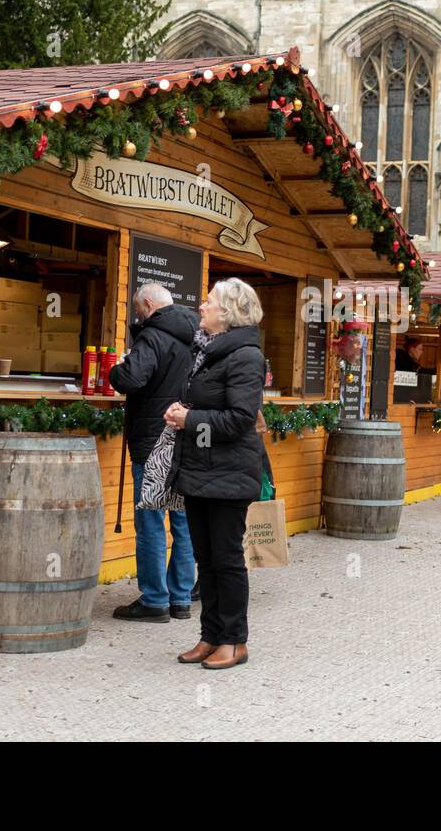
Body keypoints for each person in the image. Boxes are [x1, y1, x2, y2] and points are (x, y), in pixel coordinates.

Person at [164, 278, 266, 670]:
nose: (200, 306)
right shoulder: (205, 351)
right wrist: (180, 413)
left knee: (226, 560)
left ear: (227, 312)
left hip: (228, 474)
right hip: (200, 469)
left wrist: (191, 419)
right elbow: (206, 406)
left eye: (208, 302)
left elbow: (240, 419)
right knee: (204, 561)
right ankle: (210, 637)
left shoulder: (245, 356)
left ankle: (234, 640)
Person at [109, 283, 199, 623]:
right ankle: (181, 599)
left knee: (150, 521)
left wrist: (117, 368)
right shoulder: (197, 335)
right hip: (186, 436)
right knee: (182, 521)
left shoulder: (152, 335)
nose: (137, 317)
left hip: (153, 441)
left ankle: (155, 600)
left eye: (137, 311)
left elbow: (132, 378)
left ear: (148, 304)